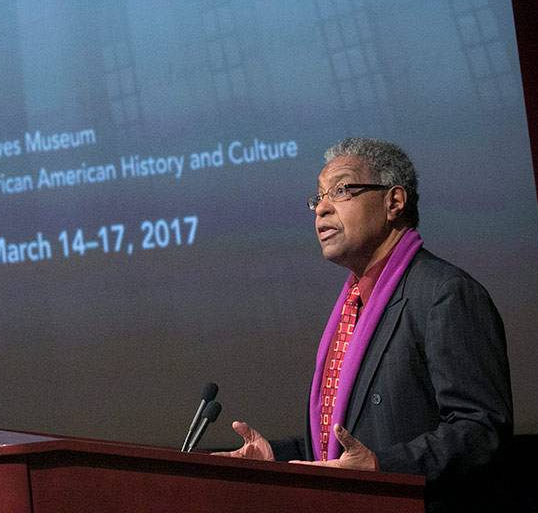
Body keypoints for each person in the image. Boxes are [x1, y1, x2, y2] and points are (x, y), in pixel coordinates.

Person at [219, 137, 512, 511]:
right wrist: (274, 456)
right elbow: (347, 441)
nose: (321, 209)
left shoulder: (444, 294)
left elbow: (481, 431)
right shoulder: (353, 307)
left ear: (394, 202)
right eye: (318, 197)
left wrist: (381, 467)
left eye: (341, 190)